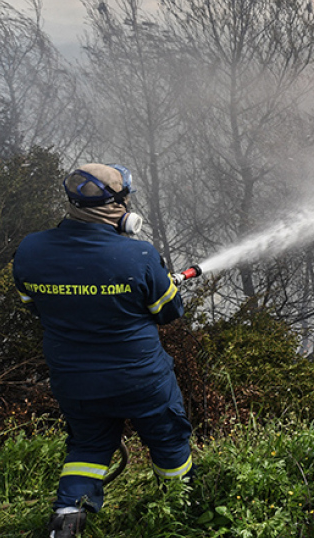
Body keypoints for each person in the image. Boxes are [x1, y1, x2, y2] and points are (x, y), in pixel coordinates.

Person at [12, 163, 192, 538]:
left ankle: (66, 519)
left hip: (75, 383)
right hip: (142, 381)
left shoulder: (30, 250)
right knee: (168, 439)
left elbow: (32, 304)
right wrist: (160, 281)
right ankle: (177, 508)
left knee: (88, 446)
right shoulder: (138, 256)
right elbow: (168, 312)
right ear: (119, 206)